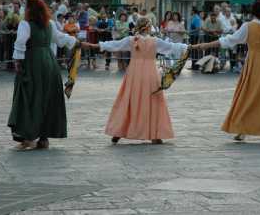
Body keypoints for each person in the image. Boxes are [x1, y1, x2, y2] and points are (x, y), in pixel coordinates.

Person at [193, 0, 260, 143]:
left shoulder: (248, 26)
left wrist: (206, 45)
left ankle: (242, 130)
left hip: (254, 63)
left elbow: (230, 40)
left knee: (247, 96)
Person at [81, 17, 188, 145]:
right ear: (148, 27)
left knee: (129, 100)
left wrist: (97, 45)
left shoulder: (131, 40)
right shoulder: (155, 41)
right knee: (152, 100)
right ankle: (155, 134)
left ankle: (118, 132)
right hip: (150, 73)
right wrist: (189, 47)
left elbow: (114, 45)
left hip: (134, 73)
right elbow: (172, 47)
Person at [8, 0, 77, 150]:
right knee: (47, 97)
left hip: (33, 63)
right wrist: (75, 42)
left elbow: (20, 42)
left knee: (29, 97)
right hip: (49, 63)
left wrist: (17, 61)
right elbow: (60, 39)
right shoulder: (50, 23)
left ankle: (27, 137)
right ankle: (44, 138)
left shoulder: (25, 25)